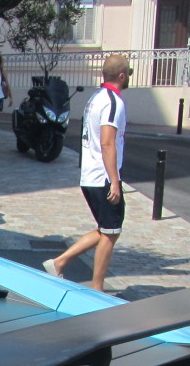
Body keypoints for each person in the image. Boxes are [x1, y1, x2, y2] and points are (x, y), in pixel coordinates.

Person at [43, 54, 131, 292]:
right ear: (122, 75)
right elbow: (107, 143)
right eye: (128, 74)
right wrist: (114, 181)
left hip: (90, 175)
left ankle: (58, 262)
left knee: (106, 229)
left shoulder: (95, 98)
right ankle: (97, 288)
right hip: (102, 176)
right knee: (111, 232)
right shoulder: (113, 102)